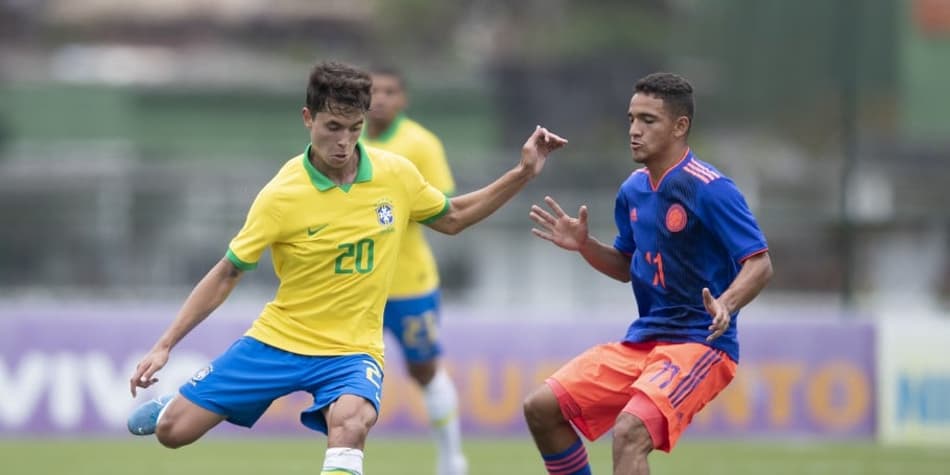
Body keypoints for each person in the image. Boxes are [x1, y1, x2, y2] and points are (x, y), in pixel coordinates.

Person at [126, 61, 567, 475]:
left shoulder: (395, 174)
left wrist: (523, 172)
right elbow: (228, 272)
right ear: (308, 119)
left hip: (352, 351)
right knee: (173, 434)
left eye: (354, 128)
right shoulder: (281, 194)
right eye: (333, 127)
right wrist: (165, 345)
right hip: (279, 340)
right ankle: (177, 405)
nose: (344, 141)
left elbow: (453, 217)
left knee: (351, 424)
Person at [523, 72, 772, 475]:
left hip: (700, 343)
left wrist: (726, 303)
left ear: (680, 126)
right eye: (631, 119)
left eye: (648, 120)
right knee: (541, 408)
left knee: (630, 431)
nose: (634, 130)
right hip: (644, 342)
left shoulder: (711, 188)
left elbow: (760, 263)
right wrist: (585, 245)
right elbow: (626, 267)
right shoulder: (633, 190)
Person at [361, 65, 466, 475]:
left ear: (403, 99)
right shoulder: (344, 140)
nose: (381, 98)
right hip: (357, 285)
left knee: (424, 369)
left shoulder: (420, 144)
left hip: (409, 284)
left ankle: (452, 459)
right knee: (345, 374)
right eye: (374, 91)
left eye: (390, 91)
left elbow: (444, 208)